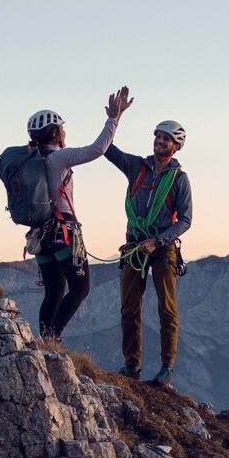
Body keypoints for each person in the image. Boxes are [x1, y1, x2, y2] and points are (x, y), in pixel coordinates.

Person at [18, 87, 134, 342]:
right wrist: (114, 119)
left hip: (39, 235)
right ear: (54, 132)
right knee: (80, 288)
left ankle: (46, 341)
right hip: (63, 232)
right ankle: (53, 339)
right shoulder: (59, 157)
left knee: (53, 291)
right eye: (62, 129)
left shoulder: (32, 161)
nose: (65, 133)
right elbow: (97, 149)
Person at [105, 120, 192, 387]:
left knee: (167, 308)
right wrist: (113, 119)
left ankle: (167, 367)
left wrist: (157, 240)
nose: (159, 141)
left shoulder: (179, 179)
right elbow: (107, 149)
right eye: (157, 136)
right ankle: (132, 366)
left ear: (175, 146)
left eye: (166, 138)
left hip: (163, 247)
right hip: (134, 244)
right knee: (129, 307)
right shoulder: (137, 167)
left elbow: (185, 220)